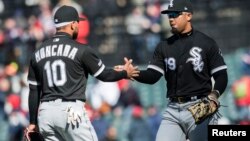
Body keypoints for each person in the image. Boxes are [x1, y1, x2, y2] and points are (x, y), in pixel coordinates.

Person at [25, 5, 139, 141]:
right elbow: (104, 75)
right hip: (70, 110)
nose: (78, 26)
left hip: (45, 113)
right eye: (77, 22)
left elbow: (34, 91)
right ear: (73, 24)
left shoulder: (37, 52)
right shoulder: (82, 50)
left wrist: (32, 122)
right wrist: (124, 73)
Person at [130, 0, 228, 141]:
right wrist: (133, 73)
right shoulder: (164, 46)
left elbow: (221, 75)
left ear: (188, 16)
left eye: (175, 14)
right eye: (169, 15)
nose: (171, 18)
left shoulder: (206, 43)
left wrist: (214, 94)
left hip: (199, 106)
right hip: (173, 110)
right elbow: (152, 76)